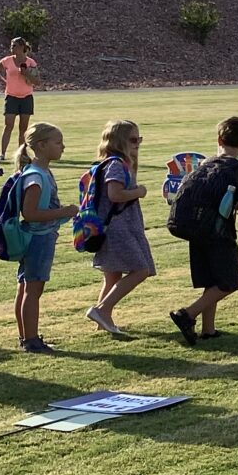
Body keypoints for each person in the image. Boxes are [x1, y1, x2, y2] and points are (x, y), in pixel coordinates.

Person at [169, 117, 238, 344]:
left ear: (219, 139)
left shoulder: (206, 163)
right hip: (218, 231)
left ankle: (208, 329)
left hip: (195, 227)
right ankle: (187, 314)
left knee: (212, 279)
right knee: (229, 282)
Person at [85, 120, 156, 339]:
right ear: (118, 141)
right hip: (118, 228)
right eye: (133, 140)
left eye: (139, 139)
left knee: (113, 276)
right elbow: (114, 194)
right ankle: (102, 310)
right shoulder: (116, 165)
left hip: (115, 227)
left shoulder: (116, 163)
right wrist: (139, 191)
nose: (137, 144)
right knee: (140, 269)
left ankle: (103, 320)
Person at [13, 123, 77, 354]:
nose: (63, 147)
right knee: (33, 289)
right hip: (38, 239)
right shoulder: (37, 176)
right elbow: (30, 213)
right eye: (58, 143)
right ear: (41, 146)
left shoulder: (40, 171)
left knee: (25, 288)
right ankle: (31, 340)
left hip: (37, 238)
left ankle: (27, 337)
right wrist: (65, 211)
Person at [0, 37, 40, 162]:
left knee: (23, 127)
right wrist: (3, 81)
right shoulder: (7, 61)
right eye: (11, 46)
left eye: (15, 46)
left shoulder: (30, 62)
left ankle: (21, 154)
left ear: (23, 47)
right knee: (8, 125)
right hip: (11, 96)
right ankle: (2, 154)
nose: (12, 48)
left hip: (26, 97)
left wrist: (26, 73)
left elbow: (37, 82)